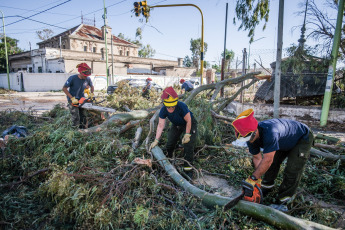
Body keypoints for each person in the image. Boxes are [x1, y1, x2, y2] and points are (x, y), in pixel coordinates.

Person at [231, 109, 314, 211]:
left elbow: (267, 160)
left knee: (292, 169)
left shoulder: (271, 133)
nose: (250, 141)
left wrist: (253, 177)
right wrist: (257, 180)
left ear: (255, 130)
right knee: (272, 164)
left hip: (301, 138)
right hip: (284, 140)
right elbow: (257, 158)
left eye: (251, 138)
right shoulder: (249, 137)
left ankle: (284, 201)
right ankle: (266, 187)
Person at [149, 86, 198, 178]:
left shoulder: (181, 106)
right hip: (176, 125)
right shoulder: (163, 110)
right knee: (170, 143)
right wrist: (156, 140)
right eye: (169, 107)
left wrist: (187, 134)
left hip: (189, 123)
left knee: (188, 145)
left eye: (172, 107)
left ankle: (188, 170)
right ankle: (170, 160)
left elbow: (189, 120)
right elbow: (160, 125)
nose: (171, 109)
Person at [62, 63, 94, 129]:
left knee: (84, 115)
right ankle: (75, 130)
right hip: (72, 98)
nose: (86, 77)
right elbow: (64, 88)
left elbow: (92, 86)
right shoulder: (72, 78)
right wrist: (72, 98)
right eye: (85, 75)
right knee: (75, 116)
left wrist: (91, 94)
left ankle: (84, 129)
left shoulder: (87, 79)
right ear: (80, 72)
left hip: (82, 98)